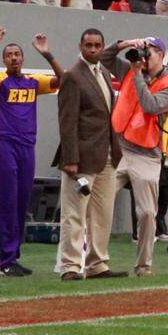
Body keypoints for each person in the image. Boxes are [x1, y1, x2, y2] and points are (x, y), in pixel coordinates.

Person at [0, 27, 60, 276]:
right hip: (6, 146)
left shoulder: (33, 82)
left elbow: (61, 79)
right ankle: (5, 260)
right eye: (9, 54)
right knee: (8, 202)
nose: (13, 58)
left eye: (17, 54)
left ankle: (14, 257)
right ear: (4, 60)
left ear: (23, 58)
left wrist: (47, 54)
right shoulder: (0, 80)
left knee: (22, 203)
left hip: (28, 147)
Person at [101, 37, 168, 277]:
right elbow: (104, 58)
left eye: (151, 52)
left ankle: (143, 265)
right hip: (116, 148)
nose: (145, 57)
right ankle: (93, 260)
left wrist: (137, 75)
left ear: (162, 56)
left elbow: (151, 106)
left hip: (146, 153)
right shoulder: (129, 67)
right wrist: (125, 44)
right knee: (98, 202)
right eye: (144, 52)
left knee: (147, 212)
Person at [55, 28, 125, 281]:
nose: (93, 49)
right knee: (74, 214)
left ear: (102, 46)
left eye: (97, 45)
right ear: (80, 46)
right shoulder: (73, 76)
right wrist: (70, 159)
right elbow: (67, 120)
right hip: (82, 157)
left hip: (107, 154)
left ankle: (97, 264)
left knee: (102, 214)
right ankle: (71, 266)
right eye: (88, 45)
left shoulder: (105, 73)